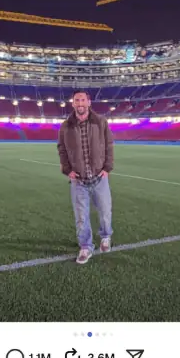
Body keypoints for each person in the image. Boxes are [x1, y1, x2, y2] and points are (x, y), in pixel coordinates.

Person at [57, 90, 114, 264]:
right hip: (78, 180)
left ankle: (105, 237)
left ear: (89, 102)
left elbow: (109, 144)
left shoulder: (100, 122)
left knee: (105, 213)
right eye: (76, 100)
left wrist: (107, 168)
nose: (80, 103)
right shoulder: (66, 125)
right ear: (72, 103)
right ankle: (86, 247)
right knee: (81, 217)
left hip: (99, 177)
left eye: (83, 100)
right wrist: (67, 170)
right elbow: (62, 149)